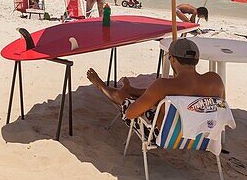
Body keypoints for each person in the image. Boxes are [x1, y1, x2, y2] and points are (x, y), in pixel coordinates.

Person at [87, 37, 225, 122]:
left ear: (173, 59)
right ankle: (133, 90)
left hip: (167, 135)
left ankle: (101, 85)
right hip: (202, 134)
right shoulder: (215, 81)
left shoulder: (164, 85)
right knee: (157, 97)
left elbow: (130, 114)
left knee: (124, 98)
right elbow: (221, 111)